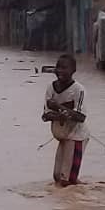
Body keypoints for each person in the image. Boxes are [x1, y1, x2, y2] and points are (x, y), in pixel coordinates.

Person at [41, 54, 89, 186]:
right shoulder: (51, 88)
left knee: (66, 180)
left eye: (64, 68)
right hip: (63, 136)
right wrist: (59, 116)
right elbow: (45, 116)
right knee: (57, 177)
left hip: (77, 136)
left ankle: (76, 202)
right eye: (58, 67)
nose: (60, 71)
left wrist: (58, 107)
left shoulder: (78, 90)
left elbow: (81, 117)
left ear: (73, 71)